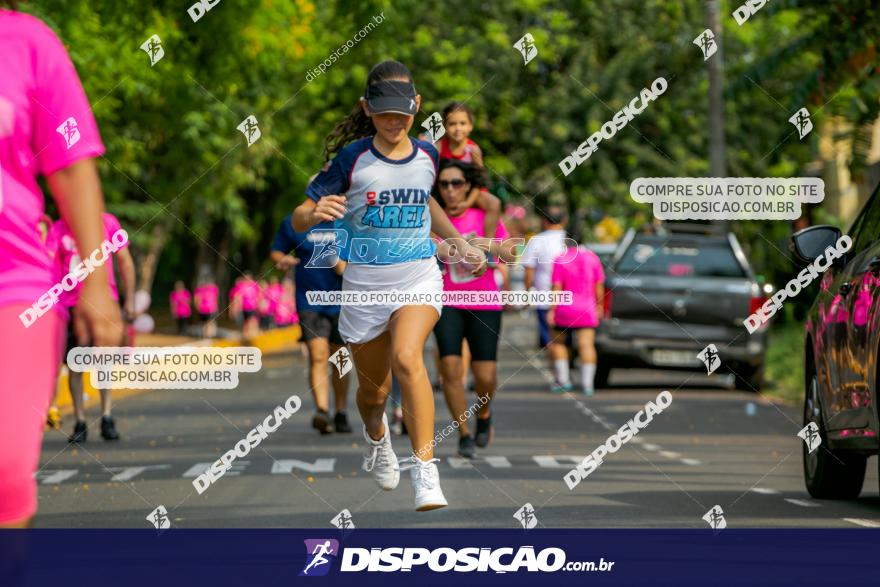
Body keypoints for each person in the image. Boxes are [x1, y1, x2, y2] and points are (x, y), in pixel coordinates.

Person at [291, 60, 489, 511]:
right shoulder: (352, 159)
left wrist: (459, 244)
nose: (394, 121)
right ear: (367, 109)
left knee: (407, 357)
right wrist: (314, 212)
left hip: (418, 275)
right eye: (383, 113)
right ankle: (377, 440)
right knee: (372, 395)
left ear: (417, 107)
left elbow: (428, 204)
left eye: (402, 112)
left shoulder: (428, 155)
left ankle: (425, 471)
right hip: (364, 286)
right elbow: (300, 215)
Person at [0, 6, 123, 528]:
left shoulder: (28, 43)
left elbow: (72, 167)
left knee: (5, 468)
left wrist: (97, 283)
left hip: (14, 284)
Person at [433, 160, 510, 458]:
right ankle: (463, 433)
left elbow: (510, 252)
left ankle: (485, 414)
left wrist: (483, 243)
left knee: (486, 375)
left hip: (485, 301)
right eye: (444, 184)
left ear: (468, 186)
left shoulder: (483, 215)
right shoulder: (434, 220)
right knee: (450, 369)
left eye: (457, 183)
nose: (451, 190)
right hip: (447, 302)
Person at [47, 211, 135, 443]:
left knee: (103, 362)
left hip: (103, 303)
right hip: (70, 305)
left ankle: (107, 417)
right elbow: (49, 266)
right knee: (75, 365)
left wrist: (130, 300)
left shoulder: (108, 223)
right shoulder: (58, 229)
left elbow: (125, 260)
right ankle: (80, 421)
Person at [271, 215, 351, 434]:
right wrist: (282, 259)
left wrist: (342, 262)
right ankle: (322, 411)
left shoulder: (347, 221)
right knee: (317, 355)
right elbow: (277, 251)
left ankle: (341, 410)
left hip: (341, 303)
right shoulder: (295, 223)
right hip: (309, 302)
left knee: (340, 359)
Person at [547, 236, 605, 394]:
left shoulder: (560, 259)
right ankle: (587, 384)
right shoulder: (593, 258)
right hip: (587, 308)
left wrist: (552, 309)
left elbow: (556, 287)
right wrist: (599, 305)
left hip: (565, 308)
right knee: (586, 345)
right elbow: (598, 285)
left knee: (558, 344)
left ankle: (564, 381)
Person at [521, 206, 569, 383]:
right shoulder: (571, 240)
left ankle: (560, 378)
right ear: (563, 221)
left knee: (553, 341)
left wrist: (527, 295)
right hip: (572, 299)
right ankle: (570, 375)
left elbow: (529, 271)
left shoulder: (537, 241)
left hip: (545, 298)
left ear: (544, 221)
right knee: (569, 338)